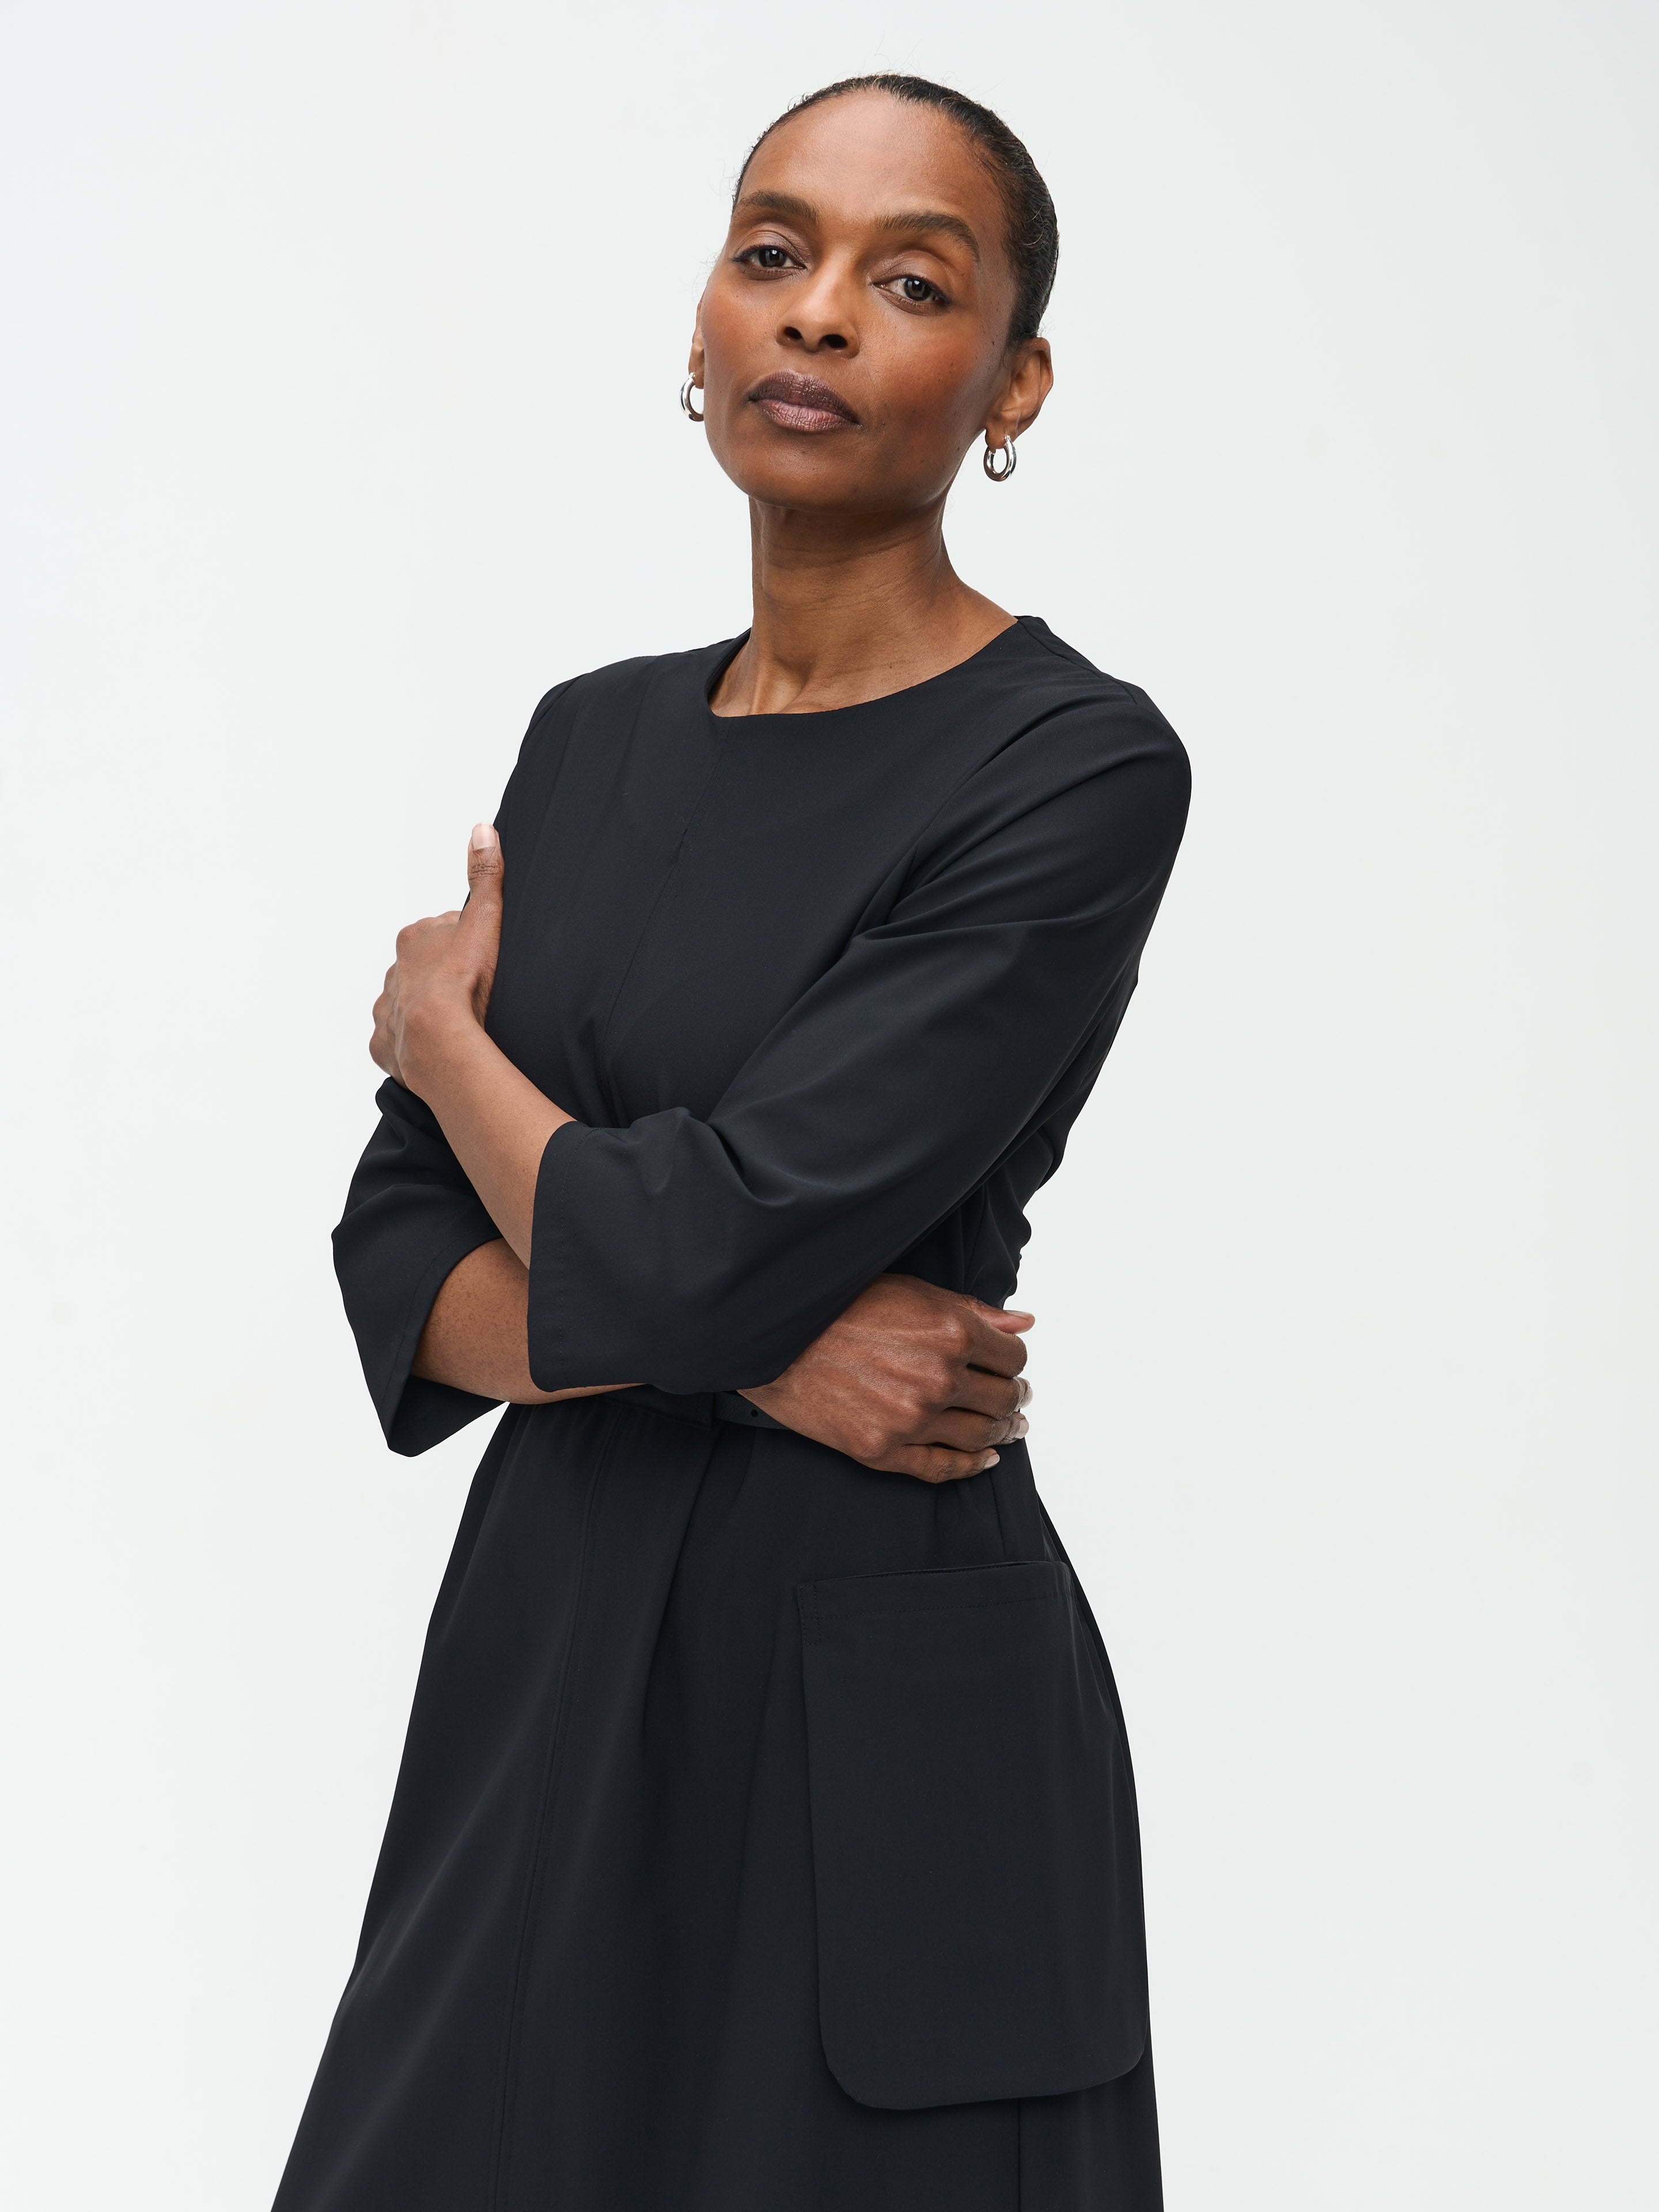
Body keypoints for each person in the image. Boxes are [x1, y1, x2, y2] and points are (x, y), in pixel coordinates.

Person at [273, 73, 1189, 2212]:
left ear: (1015, 385)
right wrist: (765, 1350)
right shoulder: (589, 738)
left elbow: (687, 1245)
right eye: (774, 253)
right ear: (702, 326)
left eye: (913, 281)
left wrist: (445, 1042)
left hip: (877, 1665)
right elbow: (398, 1252)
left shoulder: (1072, 769)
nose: (820, 313)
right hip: (550, 1639)